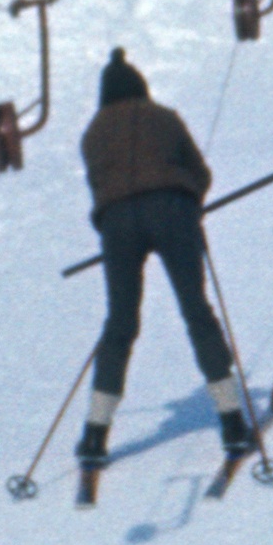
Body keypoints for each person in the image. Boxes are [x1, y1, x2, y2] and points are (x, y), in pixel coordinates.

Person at [76, 48, 254, 483]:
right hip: (172, 211)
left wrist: (121, 221)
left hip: (118, 223)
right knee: (196, 310)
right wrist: (188, 201)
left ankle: (96, 434)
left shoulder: (92, 132)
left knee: (119, 323)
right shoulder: (165, 117)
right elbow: (201, 172)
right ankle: (231, 420)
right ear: (141, 87)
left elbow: (98, 186)